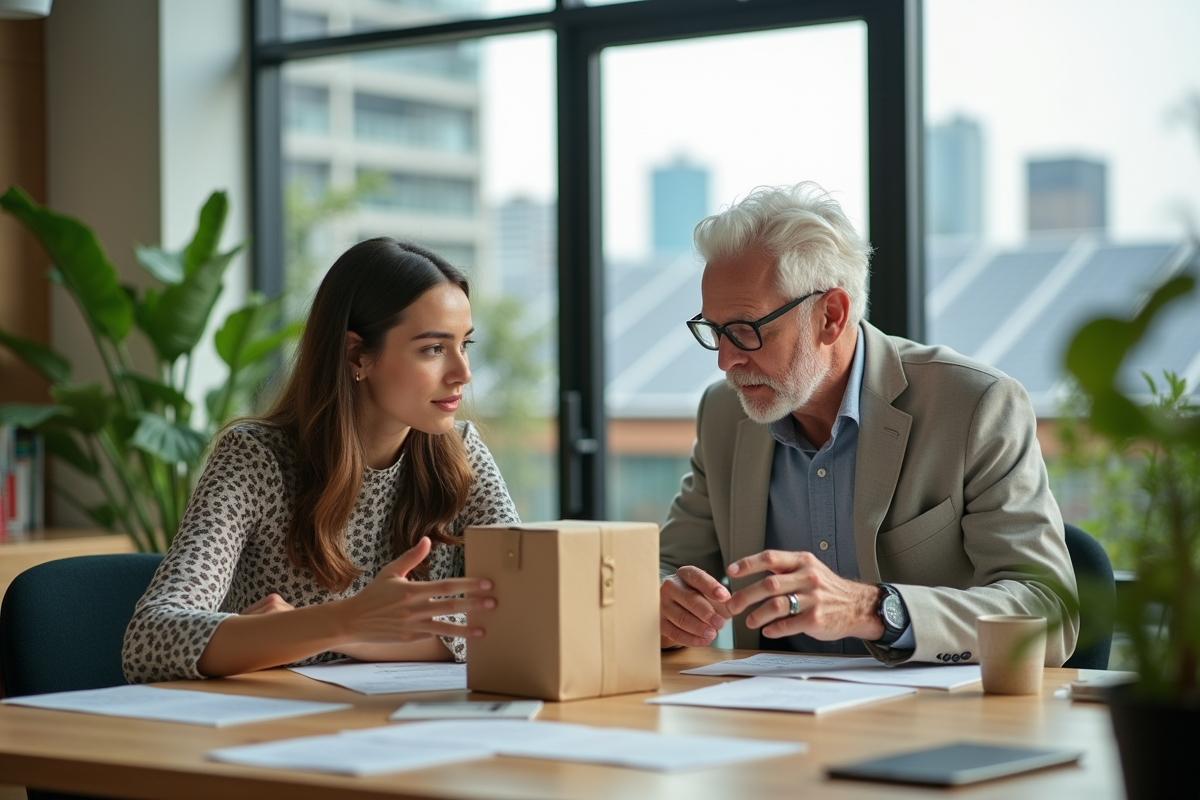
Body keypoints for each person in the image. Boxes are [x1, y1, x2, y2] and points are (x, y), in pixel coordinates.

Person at [658, 183, 1079, 666]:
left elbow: (1049, 614)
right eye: (713, 331)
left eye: (745, 330)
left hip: (929, 722)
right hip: (767, 719)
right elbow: (669, 566)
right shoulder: (723, 414)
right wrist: (663, 600)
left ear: (830, 317)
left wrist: (874, 609)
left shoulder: (976, 406)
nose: (726, 362)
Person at [123, 238, 519, 683]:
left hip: (406, 723)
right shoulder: (255, 458)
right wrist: (347, 620)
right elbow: (150, 638)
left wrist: (343, 631)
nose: (463, 372)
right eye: (433, 348)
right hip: (270, 730)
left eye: (465, 344)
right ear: (357, 355)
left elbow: (520, 618)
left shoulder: (462, 454)